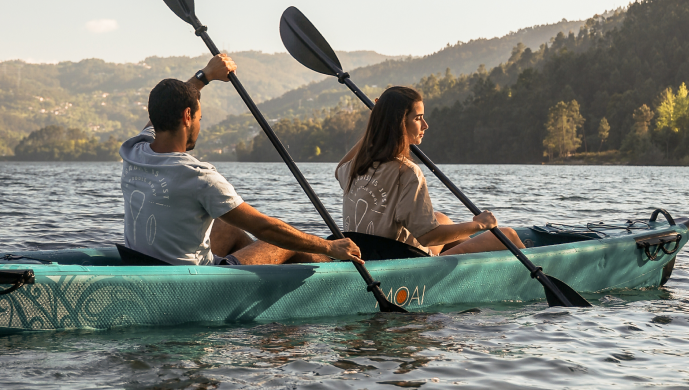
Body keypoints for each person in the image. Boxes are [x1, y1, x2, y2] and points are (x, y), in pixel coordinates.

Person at [120, 53, 363, 267]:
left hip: (145, 262)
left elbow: (165, 108)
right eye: (200, 119)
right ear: (187, 116)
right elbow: (264, 228)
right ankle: (337, 268)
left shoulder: (134, 151)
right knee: (285, 242)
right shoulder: (198, 176)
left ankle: (261, 277)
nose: (199, 126)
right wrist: (329, 246)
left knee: (227, 226)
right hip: (194, 279)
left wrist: (205, 76)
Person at [336, 86, 523, 256]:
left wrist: (379, 119)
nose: (425, 125)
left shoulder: (355, 167)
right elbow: (428, 237)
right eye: (418, 118)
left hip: (371, 254)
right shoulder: (407, 172)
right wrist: (479, 224)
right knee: (507, 235)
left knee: (441, 218)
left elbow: (339, 168)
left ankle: (471, 252)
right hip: (406, 265)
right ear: (398, 123)